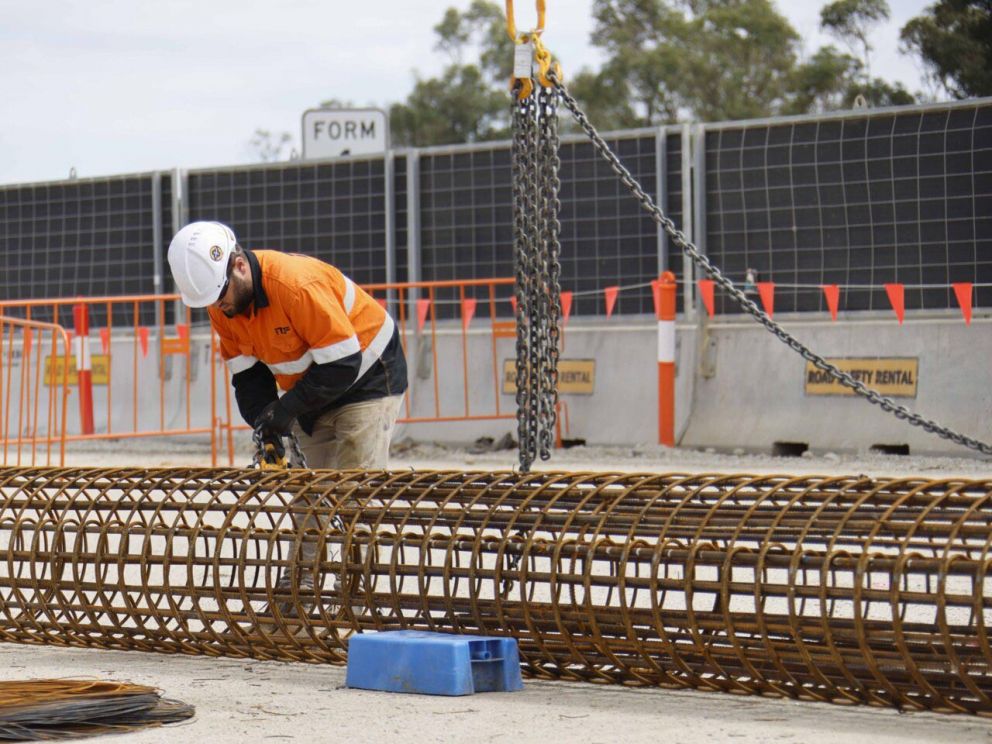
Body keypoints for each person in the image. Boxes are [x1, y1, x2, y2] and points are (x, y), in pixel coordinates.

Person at [167, 220, 407, 628]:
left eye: (221, 296)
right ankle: (296, 600)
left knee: (353, 497)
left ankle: (361, 604)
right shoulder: (220, 302)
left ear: (239, 266)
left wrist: (286, 410)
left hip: (367, 377)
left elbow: (343, 363)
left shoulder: (296, 286)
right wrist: (266, 422)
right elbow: (248, 378)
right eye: (211, 301)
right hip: (314, 387)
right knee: (307, 500)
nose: (219, 307)